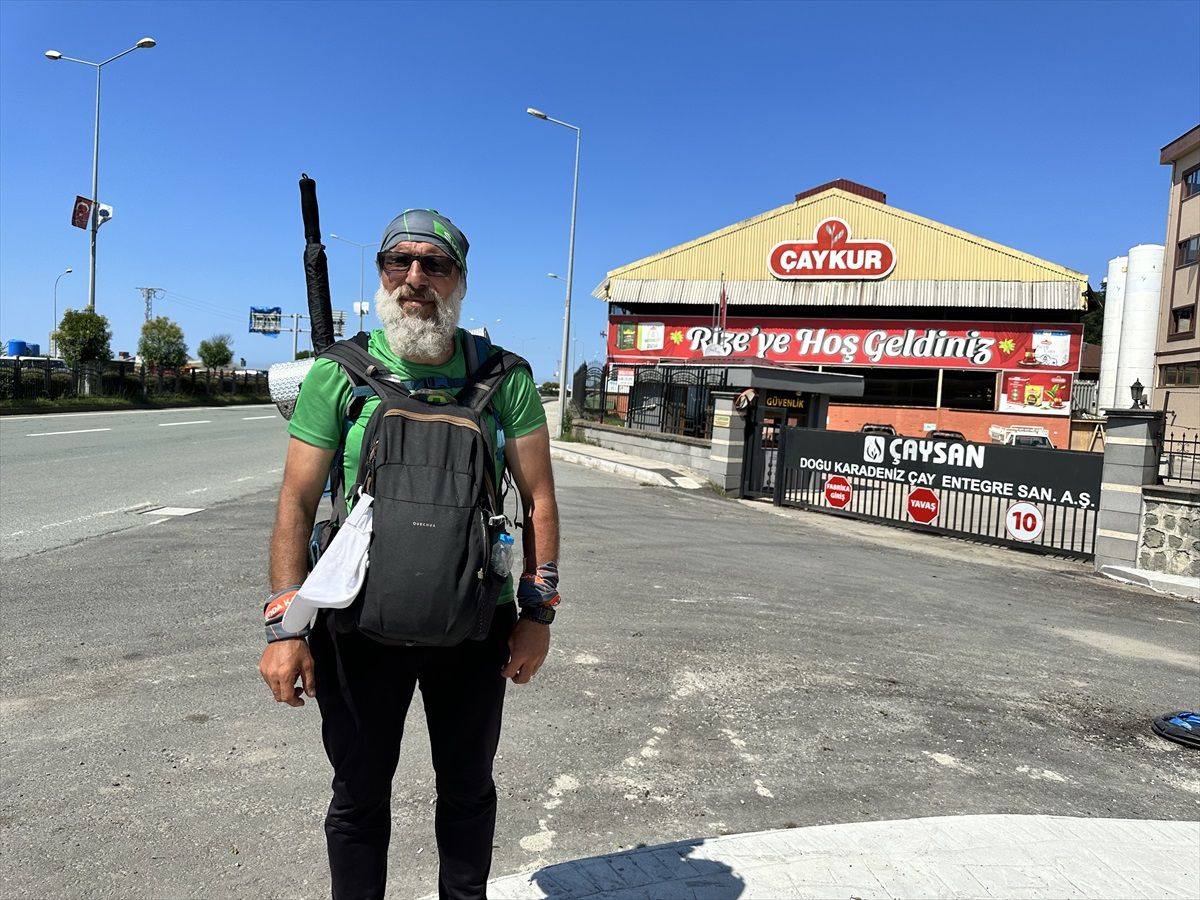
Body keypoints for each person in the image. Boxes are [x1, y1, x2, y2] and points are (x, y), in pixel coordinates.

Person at [258, 209, 560, 900]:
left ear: (460, 280)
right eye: (400, 262)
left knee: (467, 791)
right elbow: (296, 504)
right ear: (382, 275)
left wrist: (538, 613)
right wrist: (286, 627)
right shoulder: (339, 375)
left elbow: (539, 499)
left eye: (434, 264)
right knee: (359, 797)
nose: (415, 278)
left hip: (476, 626)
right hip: (357, 627)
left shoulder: (503, 378)